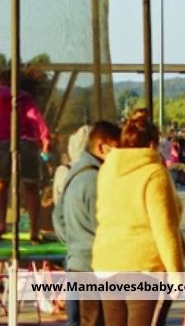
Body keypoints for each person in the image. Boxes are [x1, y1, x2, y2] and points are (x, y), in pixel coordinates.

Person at [92, 109, 185, 326]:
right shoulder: (154, 173)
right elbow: (164, 228)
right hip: (144, 267)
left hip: (107, 263)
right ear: (152, 144)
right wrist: (176, 273)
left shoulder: (107, 170)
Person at [52, 121, 121, 326]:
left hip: (75, 262)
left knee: (76, 321)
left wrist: (74, 242)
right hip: (93, 268)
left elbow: (58, 216)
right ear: (101, 147)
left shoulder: (74, 172)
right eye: (117, 149)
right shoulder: (96, 179)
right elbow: (105, 227)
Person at [0, 70, 50, 241]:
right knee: (31, 187)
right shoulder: (25, 100)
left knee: (1, 184)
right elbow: (36, 118)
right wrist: (45, 138)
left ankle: (2, 223)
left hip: (3, 145)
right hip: (27, 144)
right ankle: (34, 229)